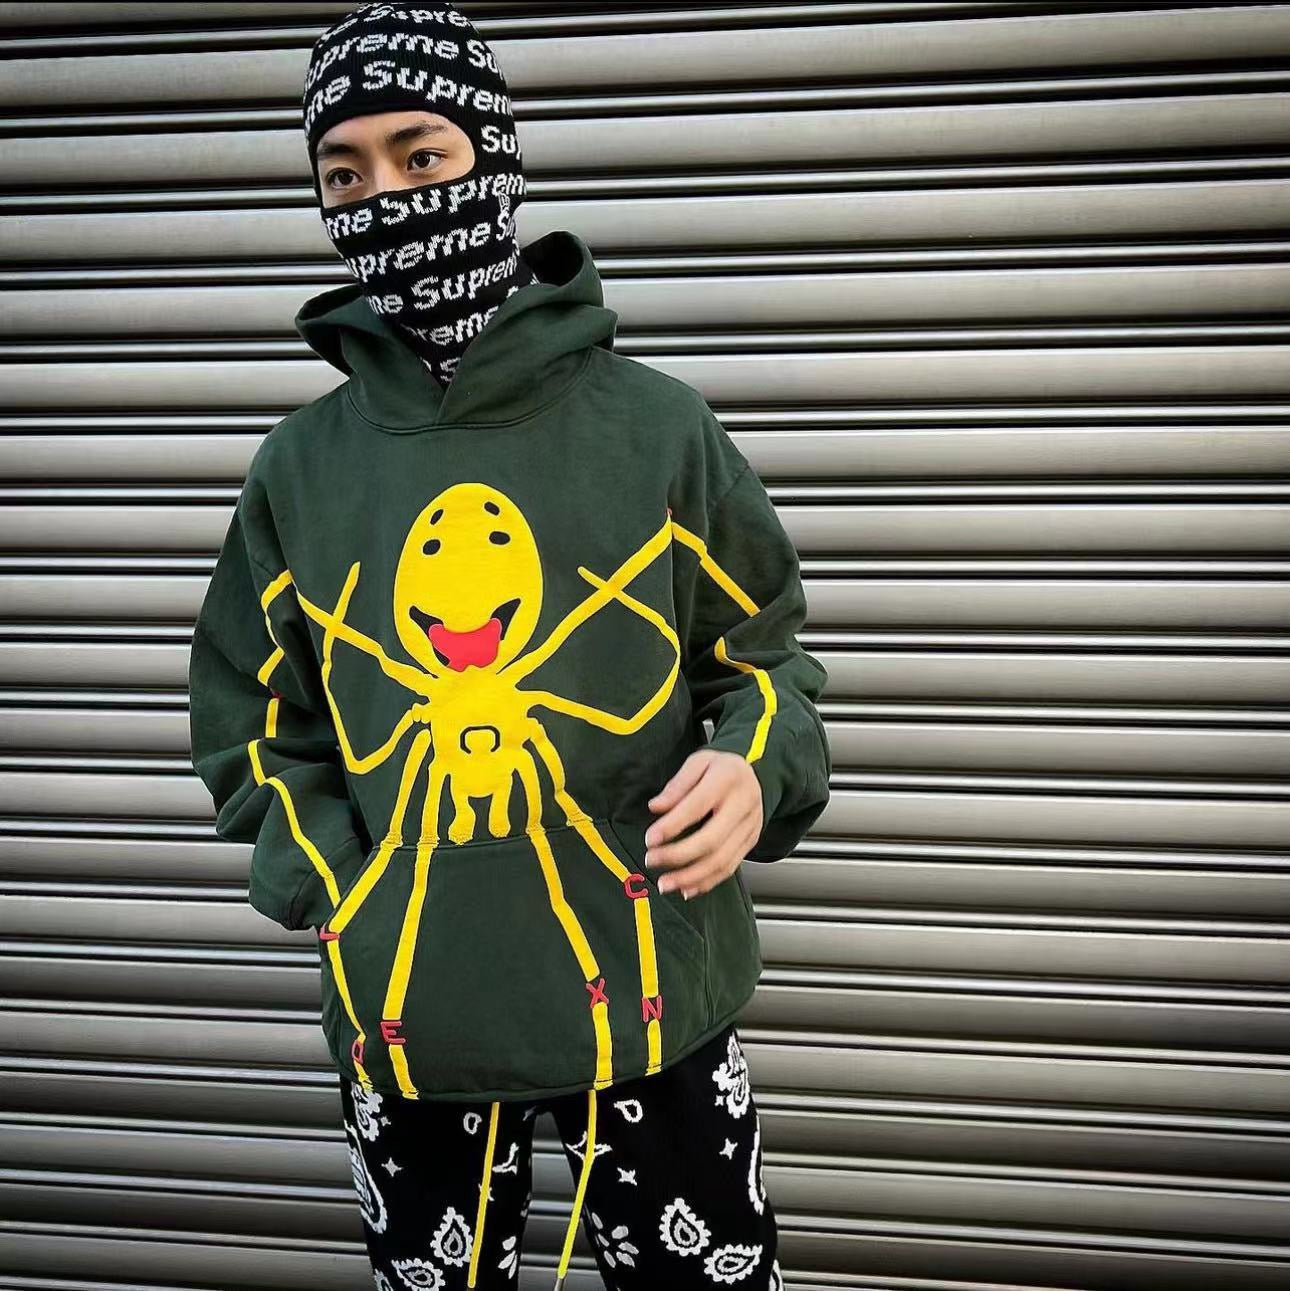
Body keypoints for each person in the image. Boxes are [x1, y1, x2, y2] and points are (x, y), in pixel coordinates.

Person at [187, 4, 831, 1288]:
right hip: (412, 1025)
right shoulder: (299, 471)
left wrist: (756, 766)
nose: (386, 197)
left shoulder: (658, 430)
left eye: (422, 156)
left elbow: (765, 661)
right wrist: (344, 893)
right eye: (343, 174)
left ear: (495, 158)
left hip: (655, 1006)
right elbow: (253, 724)